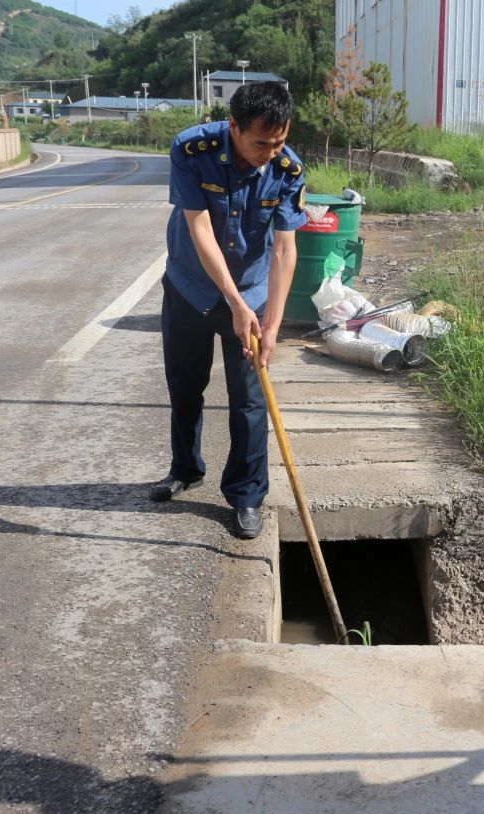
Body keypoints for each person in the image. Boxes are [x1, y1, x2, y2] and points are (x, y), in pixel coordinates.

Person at [148, 81, 306, 539]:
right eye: (261, 142)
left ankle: (246, 495)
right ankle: (185, 469)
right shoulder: (191, 149)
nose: (271, 151)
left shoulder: (288, 169)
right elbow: (198, 230)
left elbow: (283, 251)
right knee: (184, 383)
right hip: (191, 288)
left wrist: (272, 324)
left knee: (250, 400)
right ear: (233, 126)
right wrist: (232, 302)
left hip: (252, 294)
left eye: (280, 141)